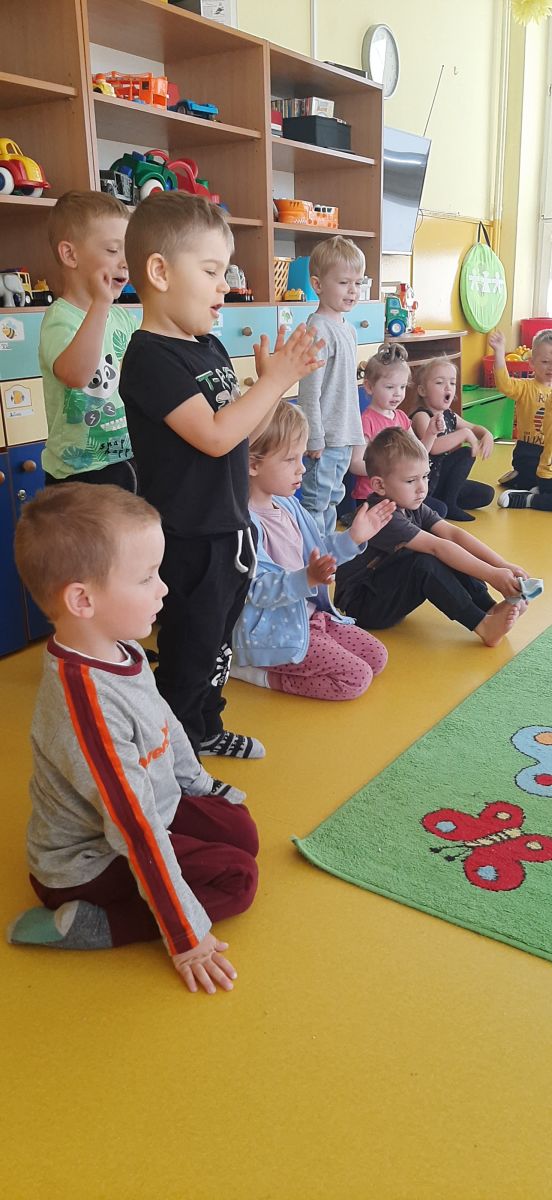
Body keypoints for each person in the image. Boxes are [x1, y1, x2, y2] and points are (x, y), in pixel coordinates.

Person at [8, 484, 258, 995]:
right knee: (238, 879)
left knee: (241, 832)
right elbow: (135, 830)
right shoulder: (86, 707)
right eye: (147, 578)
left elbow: (165, 721)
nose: (164, 588)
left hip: (141, 809)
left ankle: (162, 886)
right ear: (83, 599)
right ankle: (93, 926)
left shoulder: (124, 648)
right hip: (85, 863)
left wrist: (201, 785)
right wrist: (186, 936)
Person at [120, 192, 323, 762]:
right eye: (211, 271)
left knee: (216, 647)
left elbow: (239, 430)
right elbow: (212, 436)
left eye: (225, 272)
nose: (225, 286)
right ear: (160, 272)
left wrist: (267, 387)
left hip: (231, 525)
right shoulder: (150, 358)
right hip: (190, 540)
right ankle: (177, 758)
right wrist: (274, 383)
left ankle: (205, 729)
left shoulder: (207, 346)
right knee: (189, 653)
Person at [230, 400, 394, 700]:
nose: (302, 468)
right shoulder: (243, 523)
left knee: (377, 657)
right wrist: (307, 578)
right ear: (253, 465)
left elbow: (318, 553)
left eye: (302, 456)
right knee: (355, 679)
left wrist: (353, 538)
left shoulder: (288, 505)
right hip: (273, 632)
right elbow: (257, 589)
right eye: (290, 460)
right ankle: (253, 671)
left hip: (309, 617)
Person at [334, 428, 530, 647]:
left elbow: (454, 535)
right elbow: (438, 547)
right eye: (411, 481)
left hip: (383, 586)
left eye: (425, 477)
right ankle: (482, 625)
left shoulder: (412, 505)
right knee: (427, 560)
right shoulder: (381, 514)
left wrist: (502, 565)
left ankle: (489, 608)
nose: (422, 488)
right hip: (363, 605)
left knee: (448, 552)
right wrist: (493, 576)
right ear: (380, 485)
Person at [39, 191, 138, 491]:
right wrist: (101, 304)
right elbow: (77, 375)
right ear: (70, 255)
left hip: (128, 458)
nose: (125, 262)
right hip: (79, 474)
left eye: (128, 250)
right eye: (113, 250)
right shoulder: (60, 318)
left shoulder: (122, 318)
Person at [296, 236, 366, 535]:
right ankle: (312, 555)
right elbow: (309, 392)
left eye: (358, 283)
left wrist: (355, 434)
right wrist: (314, 437)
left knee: (332, 500)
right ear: (318, 284)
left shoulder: (347, 329)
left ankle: (326, 553)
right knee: (316, 502)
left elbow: (348, 390)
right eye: (344, 282)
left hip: (343, 435)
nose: (353, 290)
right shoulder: (317, 330)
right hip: (324, 438)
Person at [349, 343, 448, 517]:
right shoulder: (366, 421)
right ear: (369, 387)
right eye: (390, 387)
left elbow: (419, 455)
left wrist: (431, 433)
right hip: (373, 497)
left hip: (401, 493)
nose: (397, 393)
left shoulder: (401, 418)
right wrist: (391, 472)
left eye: (402, 387)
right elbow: (355, 464)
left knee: (439, 510)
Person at [410, 356, 495, 520]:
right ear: (422, 391)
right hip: (426, 482)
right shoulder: (421, 416)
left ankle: (447, 500)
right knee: (466, 453)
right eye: (439, 382)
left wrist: (487, 434)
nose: (448, 387)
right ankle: (449, 503)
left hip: (442, 479)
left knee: (486, 494)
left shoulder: (449, 415)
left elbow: (474, 428)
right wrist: (464, 434)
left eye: (452, 383)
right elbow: (433, 447)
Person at [492, 332, 552, 510]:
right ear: (532, 363)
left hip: (549, 454)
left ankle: (531, 487)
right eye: (545, 361)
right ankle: (522, 483)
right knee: (532, 478)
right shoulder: (526, 387)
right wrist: (499, 352)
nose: (550, 367)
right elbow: (504, 384)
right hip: (529, 451)